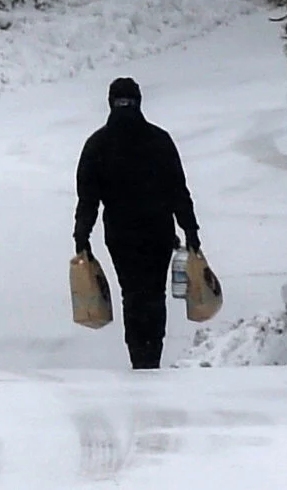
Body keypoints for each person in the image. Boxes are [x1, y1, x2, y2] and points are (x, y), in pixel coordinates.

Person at [73, 76, 201, 369]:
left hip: (120, 234)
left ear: (110, 103)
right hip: (158, 232)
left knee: (131, 293)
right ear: (139, 102)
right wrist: (190, 229)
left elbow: (88, 197)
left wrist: (82, 234)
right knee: (154, 294)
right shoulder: (159, 140)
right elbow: (178, 190)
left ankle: (139, 357)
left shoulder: (98, 144)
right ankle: (152, 353)